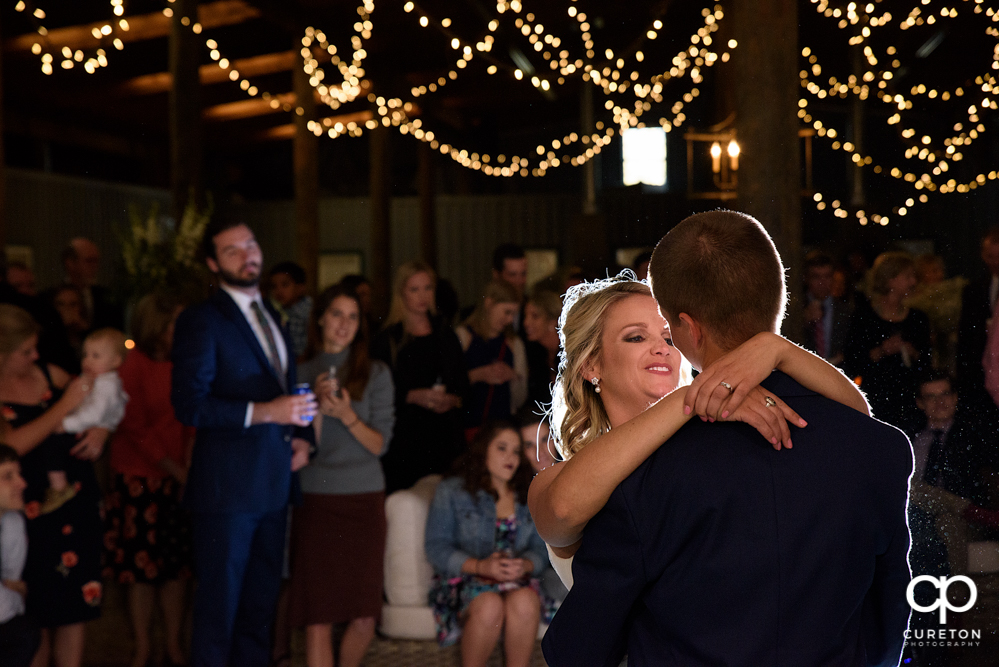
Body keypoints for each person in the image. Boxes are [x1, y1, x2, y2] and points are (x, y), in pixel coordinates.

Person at [540, 211, 912, 666]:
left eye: (666, 333)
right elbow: (887, 613)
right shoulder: (877, 449)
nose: (662, 347)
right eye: (636, 337)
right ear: (590, 366)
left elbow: (576, 649)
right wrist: (702, 395)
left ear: (687, 330)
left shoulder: (652, 478)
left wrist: (775, 351)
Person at [171, 220, 317, 667]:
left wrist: (303, 438)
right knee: (219, 613)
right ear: (214, 264)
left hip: (274, 484)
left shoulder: (271, 313)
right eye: (231, 250)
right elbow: (189, 406)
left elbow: (286, 387)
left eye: (250, 243)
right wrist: (267, 412)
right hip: (227, 492)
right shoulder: (202, 320)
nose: (246, 254)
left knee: (259, 611)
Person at [291, 284, 395, 667]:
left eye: (353, 317)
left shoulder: (377, 373)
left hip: (365, 498)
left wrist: (347, 415)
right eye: (337, 314)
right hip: (316, 498)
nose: (344, 324)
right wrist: (316, 409)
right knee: (318, 617)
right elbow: (300, 447)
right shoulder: (299, 370)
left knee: (365, 615)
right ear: (320, 318)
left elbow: (379, 444)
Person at [0, 304, 106, 667]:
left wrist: (102, 428)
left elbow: (101, 401)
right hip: (25, 504)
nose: (35, 356)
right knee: (35, 609)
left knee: (74, 603)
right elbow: (10, 445)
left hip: (75, 500)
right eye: (25, 351)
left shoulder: (50, 373)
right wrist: (63, 408)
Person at [104, 292, 192, 667]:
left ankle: (173, 643)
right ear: (157, 327)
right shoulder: (133, 364)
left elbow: (193, 418)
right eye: (176, 323)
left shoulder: (187, 361)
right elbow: (135, 427)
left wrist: (189, 467)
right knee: (139, 571)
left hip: (181, 474)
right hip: (139, 475)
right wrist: (175, 469)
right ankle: (142, 645)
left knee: (175, 568)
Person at [425, 421, 550, 667]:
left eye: (516, 451)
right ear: (483, 451)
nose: (510, 457)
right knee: (490, 605)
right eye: (502, 448)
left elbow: (540, 549)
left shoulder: (528, 491)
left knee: (526, 601)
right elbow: (436, 546)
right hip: (465, 580)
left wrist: (524, 565)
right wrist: (480, 567)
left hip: (516, 581)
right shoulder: (453, 491)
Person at [372, 261, 467, 493]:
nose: (422, 296)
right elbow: (376, 393)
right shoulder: (388, 340)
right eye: (414, 289)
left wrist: (453, 400)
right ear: (401, 292)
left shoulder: (445, 333)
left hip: (445, 438)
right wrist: (412, 396)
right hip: (405, 442)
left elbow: (464, 384)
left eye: (428, 288)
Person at [845, 251, 932, 432]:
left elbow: (927, 364)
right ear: (890, 280)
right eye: (907, 277)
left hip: (910, 403)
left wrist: (912, 352)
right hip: (876, 402)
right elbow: (852, 362)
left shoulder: (918, 319)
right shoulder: (864, 317)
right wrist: (881, 351)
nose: (913, 282)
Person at [46, 329, 128, 514]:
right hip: (83, 428)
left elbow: (94, 414)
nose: (88, 361)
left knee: (52, 446)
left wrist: (65, 425)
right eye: (85, 355)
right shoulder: (98, 379)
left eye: (96, 356)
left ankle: (58, 487)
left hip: (81, 430)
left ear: (115, 361)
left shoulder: (107, 385)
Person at [457, 280, 528, 432]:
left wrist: (513, 376)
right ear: (489, 304)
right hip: (468, 427)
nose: (510, 320)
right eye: (506, 312)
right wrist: (477, 375)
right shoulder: (462, 337)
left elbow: (520, 398)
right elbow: (452, 386)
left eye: (513, 314)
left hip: (503, 427)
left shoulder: (514, 343)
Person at [0, 443, 39, 667]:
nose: (22, 483)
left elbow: (14, 595)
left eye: (19, 474)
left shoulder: (12, 522)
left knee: (24, 633)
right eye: (8, 476)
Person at [44, 238, 121, 331]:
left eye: (96, 261)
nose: (94, 267)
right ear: (70, 263)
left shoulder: (107, 297)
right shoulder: (50, 297)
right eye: (89, 261)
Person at [799, 251, 851, 366]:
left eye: (827, 276)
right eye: (816, 277)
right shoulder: (796, 308)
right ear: (806, 278)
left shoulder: (844, 310)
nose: (822, 283)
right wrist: (803, 320)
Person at [522, 289, 561, 413]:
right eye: (525, 316)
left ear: (552, 320)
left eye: (535, 316)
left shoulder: (571, 352)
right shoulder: (535, 353)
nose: (526, 323)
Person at [269, 261, 313, 360]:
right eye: (274, 286)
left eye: (285, 285)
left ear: (300, 288)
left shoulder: (309, 311)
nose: (279, 291)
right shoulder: (279, 312)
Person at [491, 243, 528, 332]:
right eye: (512, 275)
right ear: (496, 275)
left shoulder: (531, 310)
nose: (519, 281)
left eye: (523, 274)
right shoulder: (473, 316)